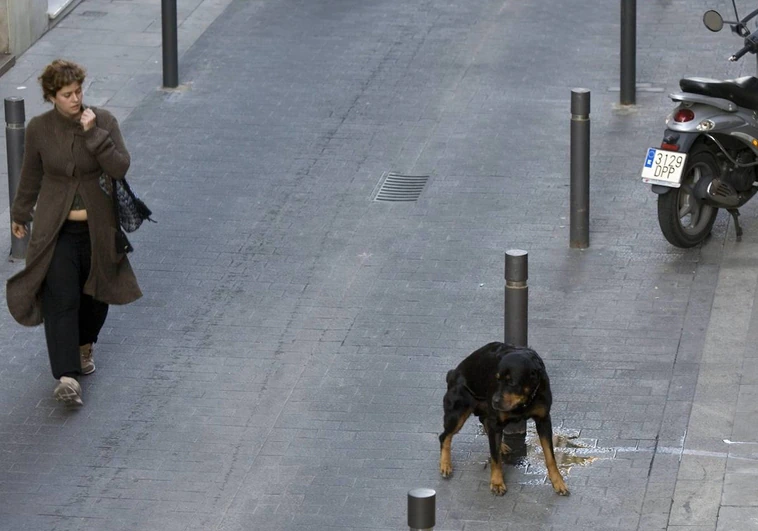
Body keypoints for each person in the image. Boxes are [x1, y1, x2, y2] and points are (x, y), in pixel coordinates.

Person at [6, 59, 142, 406]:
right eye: (67, 94)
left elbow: (120, 166)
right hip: (57, 229)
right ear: (51, 96)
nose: (75, 99)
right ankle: (67, 376)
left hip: (98, 227)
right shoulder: (39, 128)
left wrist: (94, 133)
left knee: (95, 298)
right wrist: (20, 213)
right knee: (61, 298)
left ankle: (85, 344)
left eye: (79, 91)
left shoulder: (103, 120)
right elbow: (31, 175)